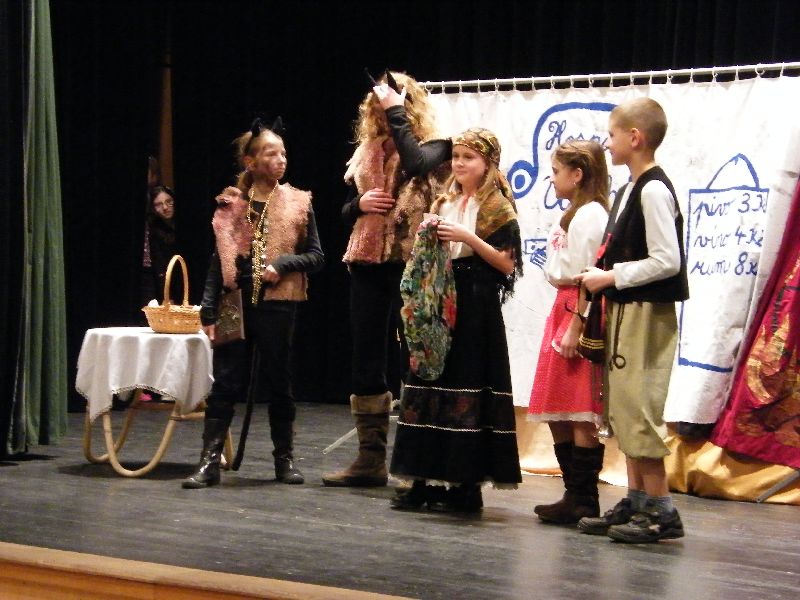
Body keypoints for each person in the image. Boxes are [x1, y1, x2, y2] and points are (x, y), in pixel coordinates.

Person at [322, 72, 450, 488]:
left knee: (415, 357)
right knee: (366, 357)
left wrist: (398, 113)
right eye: (378, 106)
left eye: (391, 105)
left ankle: (415, 461)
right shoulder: (365, 152)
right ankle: (370, 459)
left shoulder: (437, 145)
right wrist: (359, 203)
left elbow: (415, 164)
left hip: (412, 263)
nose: (382, 112)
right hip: (367, 261)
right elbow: (345, 210)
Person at [183, 119, 325, 489]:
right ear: (251, 161)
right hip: (236, 304)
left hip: (278, 306)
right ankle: (209, 461)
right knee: (226, 382)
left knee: (279, 381)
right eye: (271, 153)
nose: (281, 160)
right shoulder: (231, 204)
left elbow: (316, 256)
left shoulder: (299, 202)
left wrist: (284, 264)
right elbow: (218, 261)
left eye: (283, 153)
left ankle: (284, 459)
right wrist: (208, 309)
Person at [389, 127, 523, 513]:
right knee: (427, 382)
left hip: (475, 301)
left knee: (466, 383)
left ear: (488, 163)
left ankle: (465, 485)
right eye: (457, 157)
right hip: (439, 299)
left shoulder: (496, 207)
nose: (460, 164)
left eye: (469, 157)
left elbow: (507, 264)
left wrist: (469, 237)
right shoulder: (444, 201)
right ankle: (420, 479)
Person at [574, 97, 688, 542]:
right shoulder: (629, 190)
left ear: (635, 137)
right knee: (623, 407)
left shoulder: (654, 190)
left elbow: (667, 261)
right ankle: (638, 500)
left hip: (645, 312)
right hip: (625, 309)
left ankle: (662, 510)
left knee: (639, 407)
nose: (608, 143)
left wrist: (611, 276)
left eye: (613, 134)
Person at [527, 140, 610, 524]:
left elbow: (589, 274)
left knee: (578, 409)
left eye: (557, 171)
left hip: (577, 307)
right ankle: (573, 493)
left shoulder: (591, 215)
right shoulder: (575, 213)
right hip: (563, 306)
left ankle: (585, 498)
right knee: (558, 406)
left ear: (577, 175)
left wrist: (578, 322)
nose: (552, 178)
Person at [141, 185, 178, 307]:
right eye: (158, 204)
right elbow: (158, 266)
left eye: (169, 201)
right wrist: (167, 296)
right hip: (162, 285)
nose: (165, 207)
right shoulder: (153, 231)